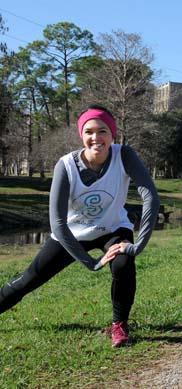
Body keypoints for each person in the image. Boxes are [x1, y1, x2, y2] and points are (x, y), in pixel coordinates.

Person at [0, 105, 160, 347]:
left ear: (112, 133)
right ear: (81, 135)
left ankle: (119, 326)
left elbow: (151, 197)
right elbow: (57, 222)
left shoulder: (124, 155)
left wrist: (136, 246)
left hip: (113, 229)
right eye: (89, 132)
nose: (96, 138)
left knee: (123, 263)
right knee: (29, 279)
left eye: (103, 131)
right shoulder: (66, 165)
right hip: (72, 234)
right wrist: (91, 262)